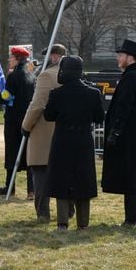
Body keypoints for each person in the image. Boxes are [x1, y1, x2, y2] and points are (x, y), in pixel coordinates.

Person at [43, 55, 104, 231]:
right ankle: (83, 222)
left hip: (62, 139)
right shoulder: (93, 93)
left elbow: (49, 116)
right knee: (83, 179)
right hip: (84, 138)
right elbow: (99, 117)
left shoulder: (57, 93)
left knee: (61, 178)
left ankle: (63, 221)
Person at [101, 39, 136, 226]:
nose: (118, 58)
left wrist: (114, 132)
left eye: (121, 55)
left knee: (131, 177)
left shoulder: (131, 78)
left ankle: (132, 218)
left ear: (130, 58)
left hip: (129, 135)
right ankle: (133, 217)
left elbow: (123, 108)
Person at [21, 43, 66, 222]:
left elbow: (37, 104)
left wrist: (26, 125)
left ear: (54, 57)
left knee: (40, 174)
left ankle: (43, 213)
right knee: (63, 174)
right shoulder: (70, 74)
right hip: (63, 132)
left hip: (44, 130)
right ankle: (67, 211)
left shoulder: (46, 75)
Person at [0, 46, 35, 198]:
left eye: (11, 57)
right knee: (28, 153)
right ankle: (31, 189)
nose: (9, 60)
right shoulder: (30, 75)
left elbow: (7, 96)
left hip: (13, 120)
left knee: (12, 152)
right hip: (27, 118)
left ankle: (9, 187)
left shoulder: (13, 76)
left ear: (17, 59)